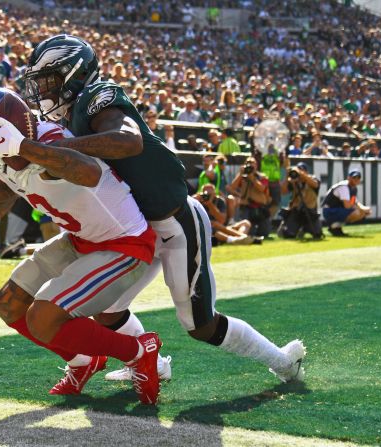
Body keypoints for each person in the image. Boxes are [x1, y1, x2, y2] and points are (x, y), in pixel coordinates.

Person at [21, 35, 305, 385]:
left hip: (174, 221)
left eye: (49, 79)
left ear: (75, 74)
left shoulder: (97, 96)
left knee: (200, 325)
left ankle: (282, 362)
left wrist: (58, 148)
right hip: (132, 230)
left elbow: (129, 140)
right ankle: (151, 365)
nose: (43, 90)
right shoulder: (64, 120)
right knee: (108, 311)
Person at [0, 88, 164, 404]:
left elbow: (89, 172)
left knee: (43, 317)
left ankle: (137, 351)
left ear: (7, 130)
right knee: (8, 304)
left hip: (124, 244)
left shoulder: (50, 142)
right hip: (81, 240)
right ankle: (82, 361)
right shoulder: (12, 159)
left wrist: (25, 147)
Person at [194, 184, 260, 246]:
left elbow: (222, 220)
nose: (207, 196)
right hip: (213, 231)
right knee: (213, 225)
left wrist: (210, 204)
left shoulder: (219, 201)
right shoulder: (198, 202)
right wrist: (196, 199)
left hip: (224, 228)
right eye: (205, 194)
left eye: (210, 194)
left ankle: (239, 238)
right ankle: (240, 238)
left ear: (214, 193)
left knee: (246, 223)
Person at [277, 162, 323, 239]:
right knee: (289, 235)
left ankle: (304, 229)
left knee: (317, 234)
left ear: (306, 172)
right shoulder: (293, 181)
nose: (298, 173)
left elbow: (315, 184)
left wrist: (301, 174)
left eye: (301, 170)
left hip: (310, 213)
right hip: (296, 212)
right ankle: (291, 228)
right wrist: (287, 176)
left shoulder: (313, 178)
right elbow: (283, 191)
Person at [229, 156, 272, 238]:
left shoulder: (262, 177)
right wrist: (240, 174)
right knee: (249, 233)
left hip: (260, 208)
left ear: (256, 165)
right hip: (247, 207)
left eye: (253, 163)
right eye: (248, 163)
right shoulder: (242, 177)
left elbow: (262, 189)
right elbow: (232, 187)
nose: (250, 165)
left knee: (264, 233)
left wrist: (252, 177)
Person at [321, 170, 371, 236]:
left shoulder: (353, 188)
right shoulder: (344, 186)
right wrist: (361, 209)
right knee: (357, 212)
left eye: (358, 178)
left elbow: (354, 202)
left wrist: (364, 209)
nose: (356, 179)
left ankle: (336, 227)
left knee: (361, 213)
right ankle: (333, 226)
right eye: (354, 177)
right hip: (329, 211)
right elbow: (347, 205)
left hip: (336, 210)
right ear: (349, 178)